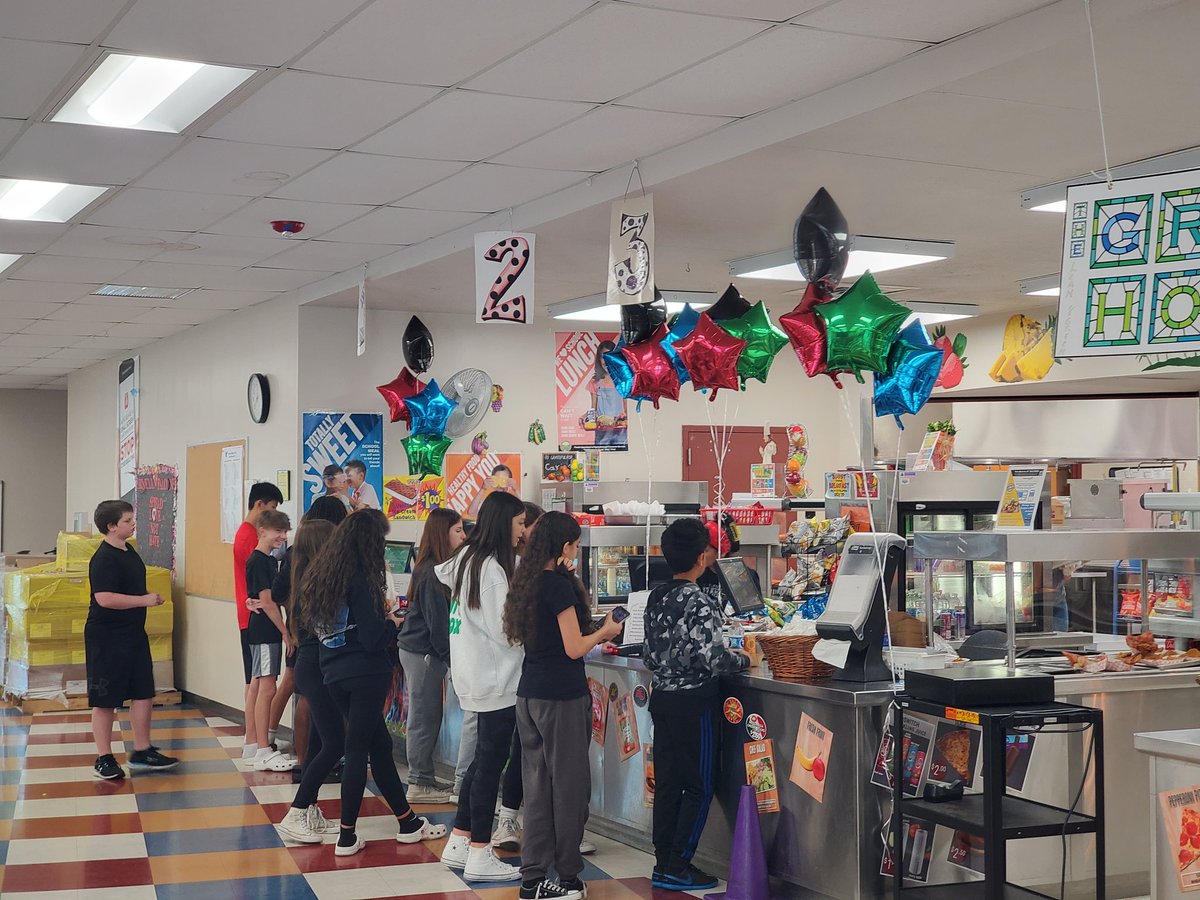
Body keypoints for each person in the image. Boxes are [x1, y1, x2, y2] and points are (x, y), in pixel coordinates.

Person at [306, 509, 447, 856]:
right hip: (365, 674)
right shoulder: (362, 578)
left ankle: (407, 822)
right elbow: (372, 638)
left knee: (379, 746)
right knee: (357, 750)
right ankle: (346, 836)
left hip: (333, 672)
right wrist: (391, 623)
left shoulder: (326, 575)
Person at [504, 512, 623, 900]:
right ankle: (568, 874)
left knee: (537, 787)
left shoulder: (527, 580)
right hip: (562, 697)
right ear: (565, 546)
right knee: (570, 788)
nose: (576, 549)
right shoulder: (558, 586)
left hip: (529, 693)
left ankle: (533, 877)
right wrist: (605, 631)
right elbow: (574, 648)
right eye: (575, 544)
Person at [643, 518, 751, 891]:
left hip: (662, 699)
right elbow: (715, 658)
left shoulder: (656, 596)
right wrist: (744, 659)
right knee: (699, 785)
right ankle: (678, 865)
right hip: (694, 703)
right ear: (702, 557)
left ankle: (663, 862)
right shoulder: (700, 601)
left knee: (668, 784)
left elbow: (649, 656)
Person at [436, 491, 527, 881]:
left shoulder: (467, 560)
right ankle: (479, 852)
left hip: (475, 674)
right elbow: (505, 631)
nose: (523, 531)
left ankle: (460, 840)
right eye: (520, 523)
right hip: (496, 678)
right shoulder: (489, 569)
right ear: (504, 523)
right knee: (490, 764)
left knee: (481, 761)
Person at [86, 500, 179, 780]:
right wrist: (143, 601)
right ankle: (104, 757)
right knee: (105, 698)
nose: (133, 524)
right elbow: (105, 598)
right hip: (106, 636)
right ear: (111, 526)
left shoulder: (129, 551)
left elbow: (129, 587)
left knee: (143, 691)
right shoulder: (103, 558)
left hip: (133, 633)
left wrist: (147, 597)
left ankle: (141, 749)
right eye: (127, 521)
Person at [274, 518, 342, 844]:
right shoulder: (314, 584)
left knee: (318, 742)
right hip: (315, 668)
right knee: (335, 743)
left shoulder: (305, 578)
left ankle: (310, 806)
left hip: (314, 667)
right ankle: (296, 811)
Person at [270, 496, 348, 775]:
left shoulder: (295, 551)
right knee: (316, 694)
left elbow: (278, 593)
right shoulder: (332, 554)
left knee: (306, 693)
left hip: (299, 630)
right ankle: (319, 758)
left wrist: (291, 621)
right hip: (321, 634)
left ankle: (304, 758)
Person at [397, 508, 466, 804]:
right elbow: (438, 626)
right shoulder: (432, 572)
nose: (463, 536)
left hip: (420, 650)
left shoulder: (431, 567)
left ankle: (423, 776)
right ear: (442, 533)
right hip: (422, 652)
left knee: (428, 715)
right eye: (458, 531)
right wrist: (453, 660)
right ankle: (418, 781)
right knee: (424, 717)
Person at [234, 482, 284, 760]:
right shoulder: (248, 538)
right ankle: (256, 742)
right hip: (255, 618)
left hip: (256, 614)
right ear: (259, 505)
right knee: (258, 683)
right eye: (271, 509)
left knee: (256, 681)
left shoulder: (254, 539)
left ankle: (253, 741)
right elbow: (257, 584)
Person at [245, 508, 295, 772]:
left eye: (285, 532)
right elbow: (266, 601)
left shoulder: (269, 560)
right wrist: (285, 632)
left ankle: (253, 744)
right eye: (278, 531)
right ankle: (263, 749)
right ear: (262, 531)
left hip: (265, 628)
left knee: (259, 685)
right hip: (265, 630)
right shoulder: (259, 560)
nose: (283, 536)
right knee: (267, 688)